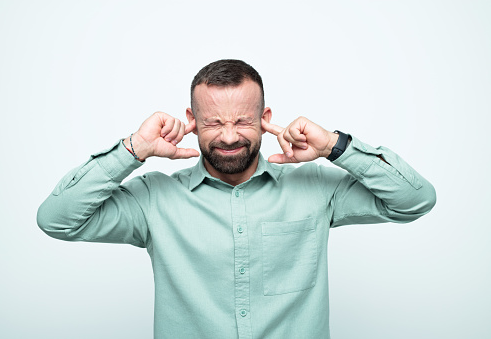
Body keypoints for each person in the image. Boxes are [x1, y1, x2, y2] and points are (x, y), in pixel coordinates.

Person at [37, 59, 436, 339]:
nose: (229, 137)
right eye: (213, 122)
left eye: (243, 120)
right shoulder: (153, 199)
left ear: (265, 117)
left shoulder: (316, 188)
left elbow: (414, 200)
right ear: (191, 122)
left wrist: (335, 145)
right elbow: (57, 219)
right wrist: (134, 149)